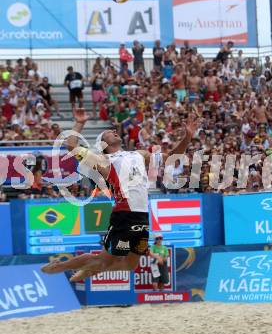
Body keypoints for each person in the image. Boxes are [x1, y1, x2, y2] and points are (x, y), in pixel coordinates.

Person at [41, 108, 198, 281]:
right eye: (109, 132)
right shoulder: (102, 161)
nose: (115, 131)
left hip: (143, 216)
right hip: (124, 215)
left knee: (131, 265)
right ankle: (60, 266)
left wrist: (188, 137)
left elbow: (172, 158)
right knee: (104, 259)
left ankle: (92, 271)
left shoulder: (139, 154)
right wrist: (80, 123)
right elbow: (70, 145)